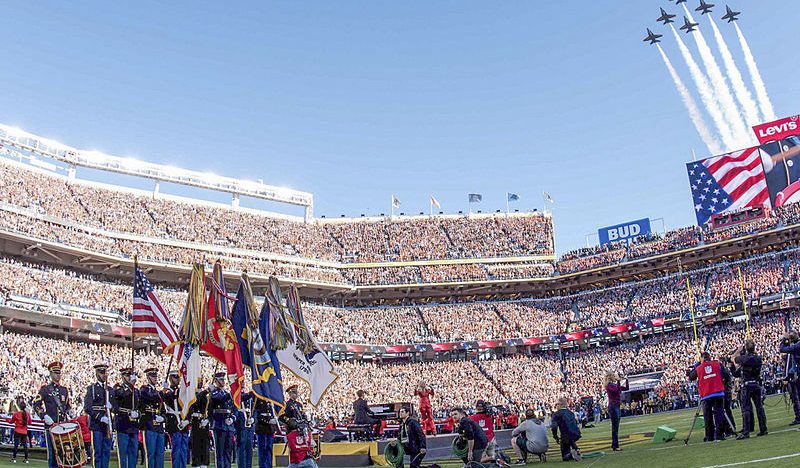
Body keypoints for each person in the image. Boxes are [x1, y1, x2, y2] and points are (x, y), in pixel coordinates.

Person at [32, 361, 72, 468]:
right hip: (51, 425)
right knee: (53, 454)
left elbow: (67, 406)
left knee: (63, 453)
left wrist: (69, 411)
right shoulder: (45, 389)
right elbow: (36, 403)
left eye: (59, 373)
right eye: (55, 373)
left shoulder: (64, 390)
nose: (58, 375)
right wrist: (43, 415)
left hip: (63, 426)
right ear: (50, 374)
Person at [688, 352, 731, 442]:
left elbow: (691, 377)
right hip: (718, 393)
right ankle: (719, 435)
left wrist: (696, 366)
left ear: (702, 359)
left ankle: (710, 436)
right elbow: (727, 375)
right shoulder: (717, 364)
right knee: (719, 414)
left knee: (708, 416)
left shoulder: (699, 368)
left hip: (706, 395)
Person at [730, 340, 768, 438]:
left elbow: (734, 358)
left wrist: (738, 350)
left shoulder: (745, 359)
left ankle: (746, 432)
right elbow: (737, 373)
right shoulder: (758, 358)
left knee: (746, 409)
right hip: (756, 384)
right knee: (759, 407)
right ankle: (763, 428)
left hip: (747, 386)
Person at [83, 363, 112, 468]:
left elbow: (115, 406)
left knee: (106, 452)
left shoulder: (109, 389)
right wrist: (100, 417)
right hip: (97, 424)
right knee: (97, 451)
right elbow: (87, 407)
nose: (104, 375)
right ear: (97, 373)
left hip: (107, 425)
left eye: (105, 372)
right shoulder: (92, 389)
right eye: (101, 372)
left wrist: (111, 406)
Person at [112, 367, 141, 468]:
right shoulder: (118, 389)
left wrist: (138, 414)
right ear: (122, 377)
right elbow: (119, 399)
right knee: (123, 453)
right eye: (127, 375)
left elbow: (139, 406)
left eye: (130, 375)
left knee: (134, 452)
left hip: (134, 425)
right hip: (123, 424)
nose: (129, 377)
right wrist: (130, 386)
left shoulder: (136, 391)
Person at [140, 367, 166, 468]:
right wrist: (161, 393)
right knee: (150, 454)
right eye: (152, 376)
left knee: (160, 454)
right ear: (148, 377)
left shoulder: (157, 393)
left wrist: (163, 418)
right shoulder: (144, 390)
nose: (155, 378)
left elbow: (163, 409)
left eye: (156, 376)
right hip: (149, 425)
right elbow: (148, 397)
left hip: (159, 427)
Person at [209, 372, 236, 468]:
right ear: (216, 381)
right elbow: (219, 399)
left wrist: (232, 418)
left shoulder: (226, 392)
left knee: (228, 451)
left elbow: (233, 408)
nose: (223, 381)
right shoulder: (214, 392)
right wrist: (233, 391)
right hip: (219, 425)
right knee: (220, 452)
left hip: (228, 426)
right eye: (221, 380)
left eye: (223, 380)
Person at [163, 370, 190, 468]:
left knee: (184, 451)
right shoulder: (169, 392)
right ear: (170, 378)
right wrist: (164, 389)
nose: (178, 379)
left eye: (179, 377)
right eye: (175, 377)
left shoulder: (181, 391)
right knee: (176, 451)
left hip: (183, 423)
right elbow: (167, 398)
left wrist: (187, 420)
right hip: (174, 423)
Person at [188, 380, 211, 468]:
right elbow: (194, 401)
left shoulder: (204, 395)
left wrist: (207, 419)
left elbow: (208, 408)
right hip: (196, 420)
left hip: (204, 420)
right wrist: (206, 391)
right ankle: (197, 463)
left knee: (204, 444)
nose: (200, 382)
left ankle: (204, 463)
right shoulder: (192, 393)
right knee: (196, 445)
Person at [550, 397, 581, 462]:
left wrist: (555, 437)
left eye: (557, 404)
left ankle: (571, 454)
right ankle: (575, 449)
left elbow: (554, 427)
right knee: (569, 440)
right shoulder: (571, 413)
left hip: (566, 436)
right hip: (576, 434)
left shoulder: (556, 414)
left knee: (565, 456)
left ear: (560, 405)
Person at [779, 330, 800, 425]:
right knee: (795, 398)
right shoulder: (794, 348)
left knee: (797, 398)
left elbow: (782, 349)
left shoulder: (796, 347)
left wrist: (784, 340)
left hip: (796, 375)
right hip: (794, 375)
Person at [604, 371, 628, 452]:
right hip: (613, 406)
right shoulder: (609, 385)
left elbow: (626, 388)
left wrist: (626, 380)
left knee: (616, 426)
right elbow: (616, 390)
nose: (615, 377)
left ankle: (614, 444)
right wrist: (618, 381)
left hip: (616, 406)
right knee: (615, 427)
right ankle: (615, 445)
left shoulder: (613, 385)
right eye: (614, 376)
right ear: (611, 377)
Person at [254, 396, 278, 468]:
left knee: (269, 448)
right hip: (262, 427)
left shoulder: (270, 400)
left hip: (269, 428)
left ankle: (269, 466)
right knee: (263, 449)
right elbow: (256, 415)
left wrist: (273, 419)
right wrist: (267, 421)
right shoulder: (258, 399)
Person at [235, 391, 256, 468]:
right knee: (241, 449)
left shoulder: (249, 399)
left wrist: (253, 418)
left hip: (249, 427)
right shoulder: (237, 395)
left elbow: (254, 409)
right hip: (240, 426)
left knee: (249, 450)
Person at [11, 398, 30, 464]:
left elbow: (11, 421)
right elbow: (30, 422)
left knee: (16, 445)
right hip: (24, 431)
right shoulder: (27, 414)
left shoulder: (16, 414)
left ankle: (14, 458)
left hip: (17, 431)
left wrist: (6, 420)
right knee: (25, 446)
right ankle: (26, 459)